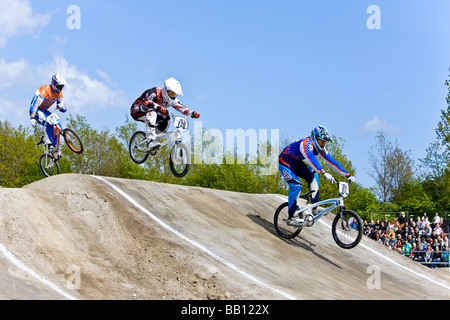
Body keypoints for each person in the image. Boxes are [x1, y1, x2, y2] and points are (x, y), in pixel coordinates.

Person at [278, 125, 355, 225]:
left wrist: (347, 175)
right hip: (284, 161)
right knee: (296, 185)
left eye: (325, 142)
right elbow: (311, 159)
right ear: (315, 139)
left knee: (314, 176)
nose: (323, 144)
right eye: (322, 141)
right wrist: (323, 171)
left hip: (296, 163)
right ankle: (291, 216)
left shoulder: (320, 148)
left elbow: (332, 161)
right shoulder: (306, 144)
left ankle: (314, 207)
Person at [130, 78, 200, 148]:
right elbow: (146, 101)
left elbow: (182, 108)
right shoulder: (155, 92)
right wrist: (158, 107)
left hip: (151, 112)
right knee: (152, 113)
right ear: (165, 90)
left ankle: (155, 140)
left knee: (167, 119)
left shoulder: (173, 100)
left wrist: (192, 113)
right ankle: (150, 140)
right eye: (171, 93)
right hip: (137, 109)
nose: (173, 96)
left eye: (175, 94)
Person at [29, 74, 67, 157]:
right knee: (50, 122)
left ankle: (55, 150)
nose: (60, 89)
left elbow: (62, 107)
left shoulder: (59, 94)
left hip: (44, 111)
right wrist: (32, 116)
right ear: (53, 84)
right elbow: (35, 103)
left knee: (58, 126)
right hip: (37, 111)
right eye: (58, 87)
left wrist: (62, 107)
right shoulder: (46, 90)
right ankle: (49, 145)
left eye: (61, 87)